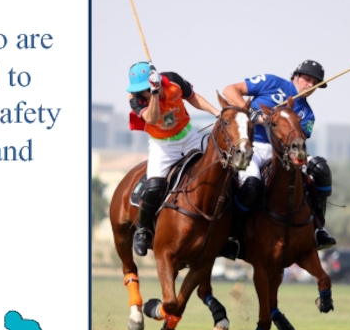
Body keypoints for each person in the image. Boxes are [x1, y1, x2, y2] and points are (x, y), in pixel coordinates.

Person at [220, 60, 336, 259]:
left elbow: (297, 142)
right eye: (307, 79)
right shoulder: (271, 82)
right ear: (295, 77)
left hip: (282, 154)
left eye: (315, 83)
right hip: (253, 147)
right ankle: (232, 235)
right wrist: (251, 112)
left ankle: (318, 229)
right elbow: (229, 90)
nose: (310, 85)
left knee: (321, 169)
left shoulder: (307, 114)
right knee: (252, 185)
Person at [127, 61, 220, 256]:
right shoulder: (136, 99)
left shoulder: (173, 80)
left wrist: (217, 113)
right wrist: (153, 93)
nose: (143, 93)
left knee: (220, 166)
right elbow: (152, 118)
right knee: (154, 187)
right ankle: (142, 230)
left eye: (145, 89)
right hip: (163, 146)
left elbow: (193, 98)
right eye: (141, 90)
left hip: (189, 136)